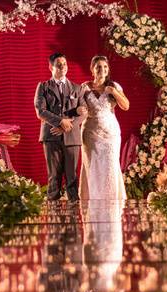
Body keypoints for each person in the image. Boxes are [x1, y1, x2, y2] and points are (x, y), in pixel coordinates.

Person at [34, 53, 86, 201]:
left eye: (64, 63)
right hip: (51, 136)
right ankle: (53, 217)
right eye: (59, 64)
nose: (63, 66)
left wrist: (66, 125)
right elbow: (41, 111)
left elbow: (83, 112)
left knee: (72, 178)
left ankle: (74, 218)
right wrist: (59, 121)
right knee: (53, 178)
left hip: (72, 137)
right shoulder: (43, 87)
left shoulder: (77, 88)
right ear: (50, 67)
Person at [79, 55, 129, 200]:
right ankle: (92, 204)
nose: (102, 70)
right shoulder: (85, 87)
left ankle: (111, 204)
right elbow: (79, 108)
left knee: (109, 167)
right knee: (92, 167)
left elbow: (126, 106)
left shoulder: (114, 86)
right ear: (92, 69)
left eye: (105, 67)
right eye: (98, 67)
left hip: (110, 135)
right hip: (90, 133)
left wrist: (113, 92)